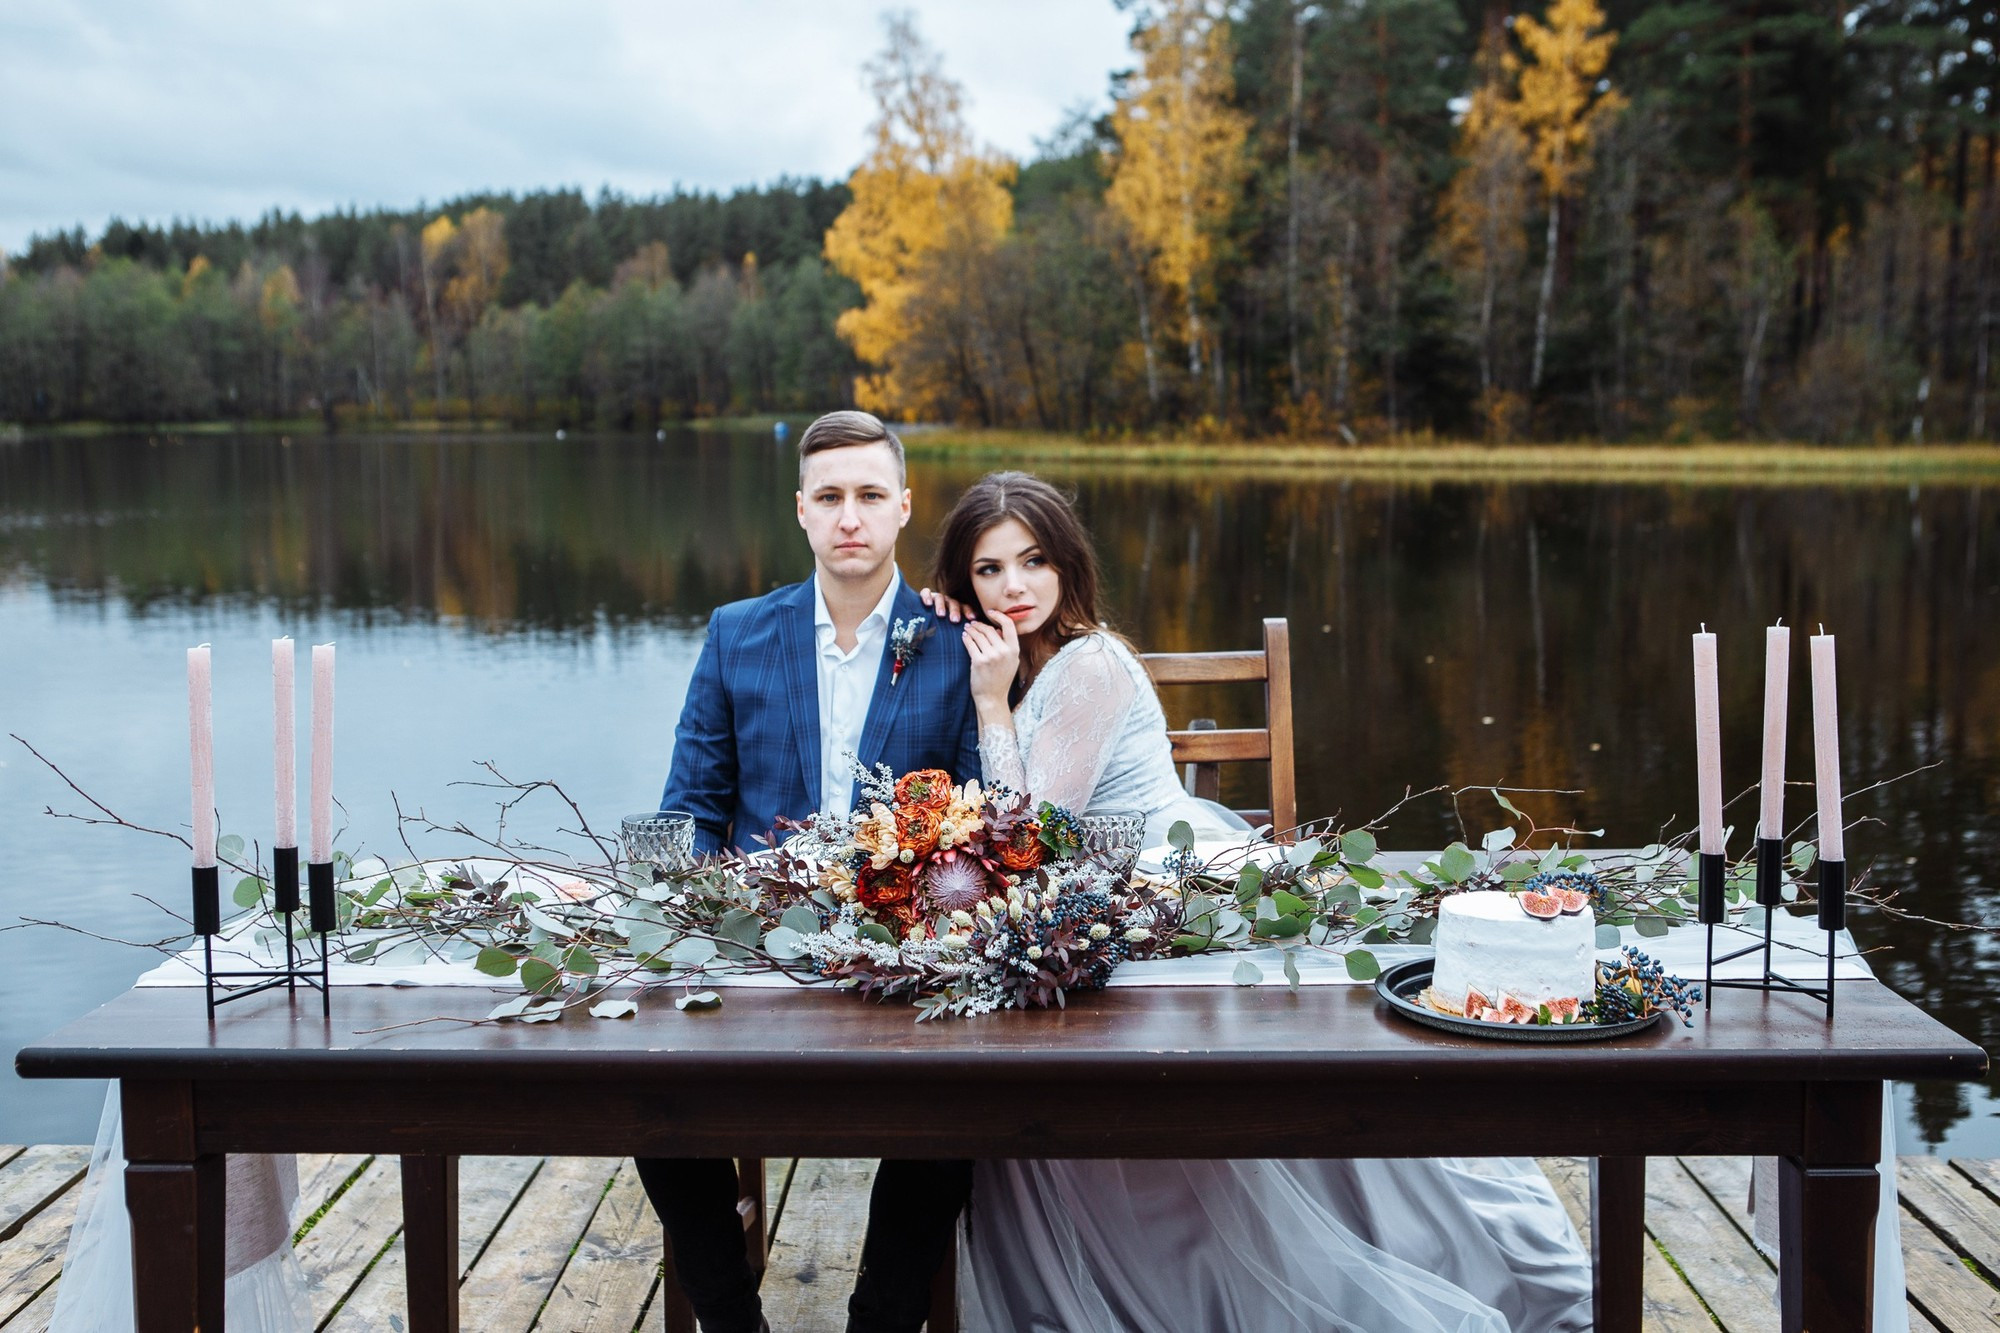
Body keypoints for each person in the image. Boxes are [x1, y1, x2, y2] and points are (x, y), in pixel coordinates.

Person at [930, 471, 1594, 1333]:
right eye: (987, 570)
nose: (1013, 587)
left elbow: (1031, 832)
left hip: (1157, 886)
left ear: (1067, 565)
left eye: (1033, 561)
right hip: (1091, 896)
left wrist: (989, 700)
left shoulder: (1088, 660)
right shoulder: (1027, 659)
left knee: (1167, 1063)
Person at [640, 410, 981, 1333]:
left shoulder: (956, 644)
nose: (850, 518)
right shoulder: (737, 632)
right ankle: (730, 1320)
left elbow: (981, 822)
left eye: (870, 495)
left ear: (905, 506)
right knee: (650, 1101)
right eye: (829, 497)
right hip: (757, 949)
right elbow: (690, 807)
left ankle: (878, 1321)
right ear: (800, 511)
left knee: (957, 1117)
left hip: (907, 952)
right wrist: (702, 919)